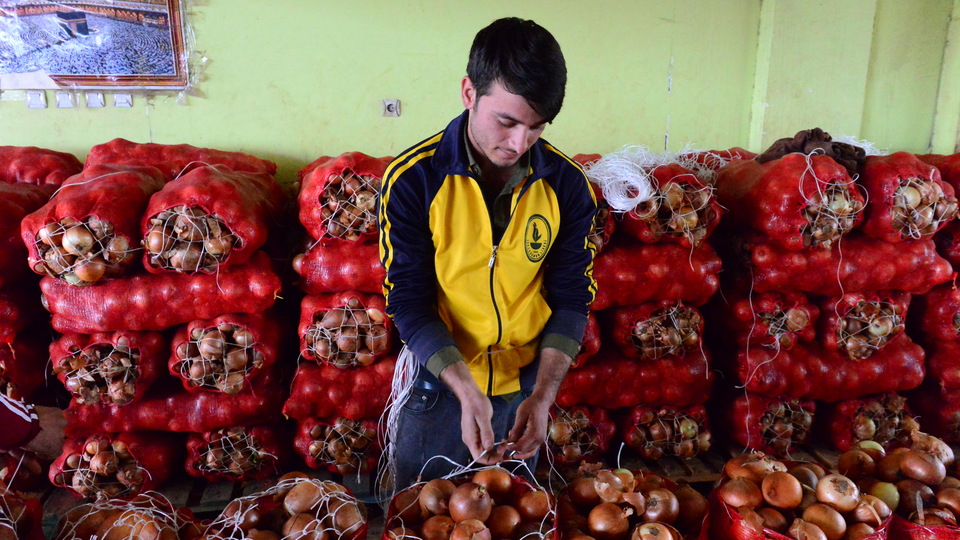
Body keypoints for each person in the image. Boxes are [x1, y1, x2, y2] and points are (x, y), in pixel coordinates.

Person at [378, 17, 597, 488]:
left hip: (524, 392)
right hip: (440, 387)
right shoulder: (413, 180)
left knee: (513, 513)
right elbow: (408, 300)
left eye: (536, 127)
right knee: (422, 511)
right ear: (468, 93)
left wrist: (543, 397)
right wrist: (464, 389)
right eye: (507, 121)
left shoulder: (566, 185)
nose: (519, 143)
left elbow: (572, 297)